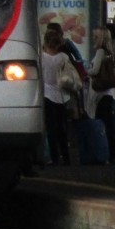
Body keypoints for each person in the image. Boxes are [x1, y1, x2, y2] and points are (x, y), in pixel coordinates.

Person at [86, 26, 115, 164]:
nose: (93, 38)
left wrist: (86, 70)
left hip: (101, 94)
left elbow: (94, 71)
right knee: (110, 125)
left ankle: (107, 154)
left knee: (104, 125)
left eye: (95, 36)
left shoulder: (100, 52)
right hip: (109, 93)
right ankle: (113, 154)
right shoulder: (110, 52)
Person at [40, 26, 74, 166]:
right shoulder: (63, 57)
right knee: (61, 128)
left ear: (46, 42)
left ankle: (54, 158)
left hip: (46, 95)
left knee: (50, 128)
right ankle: (66, 157)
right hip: (61, 95)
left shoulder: (41, 57)